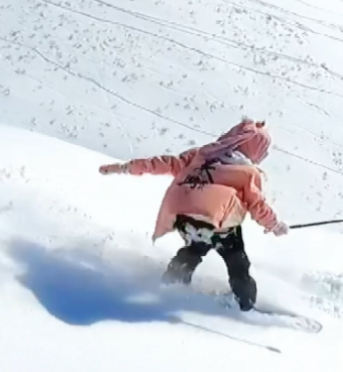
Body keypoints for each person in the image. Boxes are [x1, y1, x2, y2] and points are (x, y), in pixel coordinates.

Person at [99, 117, 288, 311]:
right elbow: (258, 205)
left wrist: (124, 167)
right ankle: (245, 304)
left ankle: (171, 284)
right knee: (236, 260)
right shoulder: (248, 172)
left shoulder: (202, 155)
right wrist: (274, 225)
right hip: (218, 224)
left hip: (184, 216)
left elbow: (165, 163)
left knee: (194, 247)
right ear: (255, 150)